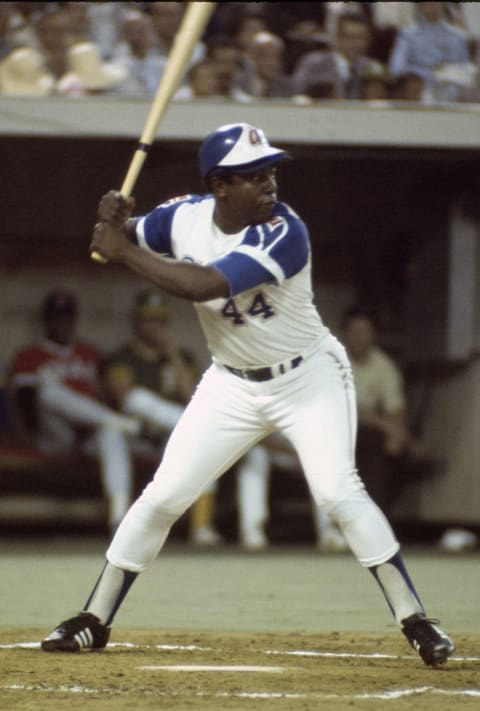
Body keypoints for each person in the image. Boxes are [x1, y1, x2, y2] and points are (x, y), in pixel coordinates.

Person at [41, 122, 454, 667]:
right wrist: (113, 221)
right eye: (253, 177)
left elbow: (198, 284)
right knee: (164, 496)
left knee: (336, 491)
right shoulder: (183, 217)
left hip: (309, 378)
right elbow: (130, 233)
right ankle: (92, 619)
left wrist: (123, 252)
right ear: (219, 186)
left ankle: (416, 621)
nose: (269, 185)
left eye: (271, 172)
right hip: (231, 382)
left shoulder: (285, 232)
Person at [8, 289, 139, 532]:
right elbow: (23, 402)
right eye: (56, 317)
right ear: (46, 320)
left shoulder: (90, 354)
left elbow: (106, 393)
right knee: (47, 390)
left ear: (74, 319)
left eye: (66, 317)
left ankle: (119, 517)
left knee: (111, 432)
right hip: (53, 434)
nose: (62, 322)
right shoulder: (29, 356)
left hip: (88, 433)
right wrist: (23, 435)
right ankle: (118, 421)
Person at [103, 287, 222, 547]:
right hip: (136, 435)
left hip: (172, 438)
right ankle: (119, 520)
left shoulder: (182, 356)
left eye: (160, 320)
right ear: (136, 321)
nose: (155, 326)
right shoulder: (123, 356)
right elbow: (122, 397)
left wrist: (173, 355)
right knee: (113, 429)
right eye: (148, 319)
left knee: (202, 441)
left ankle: (202, 526)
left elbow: (193, 399)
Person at [340, 306, 430, 520]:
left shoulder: (383, 365)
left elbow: (396, 409)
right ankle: (366, 520)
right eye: (354, 332)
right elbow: (347, 409)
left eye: (365, 331)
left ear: (374, 335)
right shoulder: (332, 360)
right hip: (335, 429)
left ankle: (375, 520)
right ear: (344, 335)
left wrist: (396, 434)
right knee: (372, 439)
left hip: (368, 434)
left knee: (386, 448)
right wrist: (388, 427)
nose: (359, 338)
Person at [388, 2, 473, 102]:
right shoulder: (408, 35)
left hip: (449, 89)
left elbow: (466, 71)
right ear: (419, 6)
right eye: (426, 3)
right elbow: (397, 68)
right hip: (418, 90)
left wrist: (445, 72)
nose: (431, 6)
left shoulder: (457, 37)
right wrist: (420, 74)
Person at [292, 11, 384, 100]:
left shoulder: (374, 69)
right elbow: (296, 96)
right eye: (349, 37)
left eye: (361, 38)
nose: (356, 44)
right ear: (336, 38)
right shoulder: (313, 64)